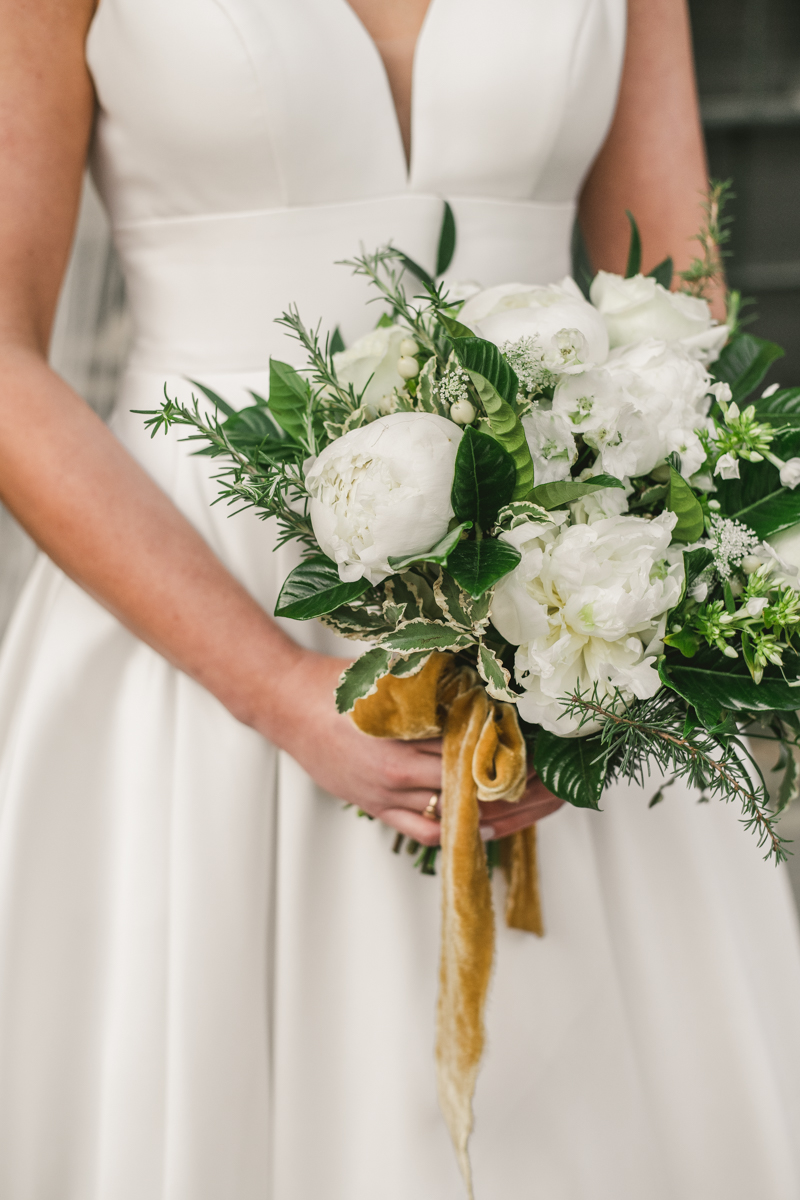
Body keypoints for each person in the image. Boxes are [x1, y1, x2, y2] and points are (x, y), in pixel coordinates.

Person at [0, 0, 799, 1196]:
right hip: (199, 617)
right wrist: (273, 687)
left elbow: (675, 292)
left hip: (559, 626)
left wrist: (622, 640)